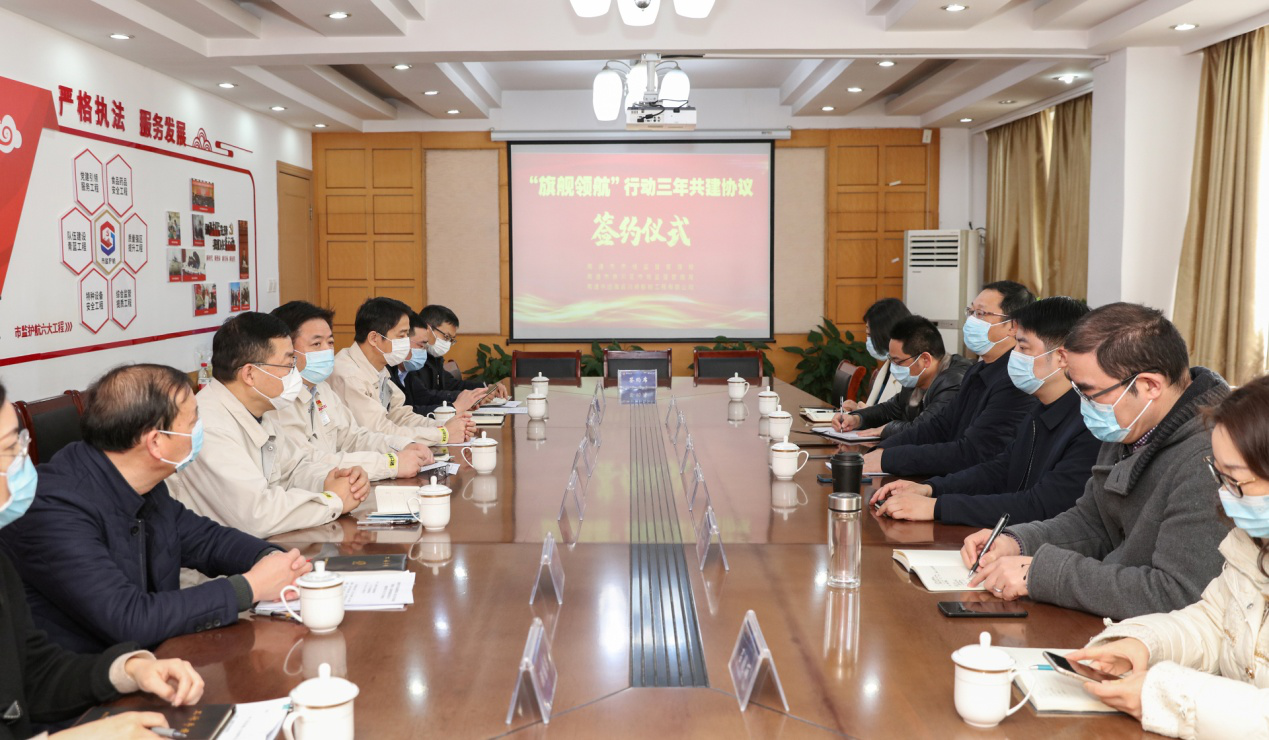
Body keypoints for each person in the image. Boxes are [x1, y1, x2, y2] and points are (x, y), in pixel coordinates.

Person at [0, 364, 311, 655]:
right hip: (90, 682)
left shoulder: (142, 482)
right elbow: (129, 619)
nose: (200, 430)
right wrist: (249, 587)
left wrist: (273, 560)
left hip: (156, 662)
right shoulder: (53, 510)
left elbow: (207, 540)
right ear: (156, 443)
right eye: (193, 422)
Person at [961, 302, 1232, 620]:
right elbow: (1093, 522)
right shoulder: (1130, 424)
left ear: (1149, 385)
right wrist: (1018, 542)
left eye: (1090, 392)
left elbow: (1177, 593)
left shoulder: (1212, 457)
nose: (1083, 404)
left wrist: (1040, 573)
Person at [0, 379, 208, 740]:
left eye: (22, 442)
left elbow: (33, 672)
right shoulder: (57, 506)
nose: (23, 459)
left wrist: (129, 670)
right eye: (9, 449)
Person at [1062, 375, 1269, 738]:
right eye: (1219, 476)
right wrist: (1143, 643)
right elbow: (1214, 623)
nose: (1223, 495)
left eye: (1235, 480)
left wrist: (1164, 695)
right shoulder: (1252, 541)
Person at [871, 297, 1100, 527]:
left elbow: (1039, 506)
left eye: (1023, 348)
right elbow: (1000, 470)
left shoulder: (1089, 426)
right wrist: (930, 489)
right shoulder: (1039, 409)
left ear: (1061, 357)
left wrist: (937, 507)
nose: (1014, 354)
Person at [168, 312, 370, 539]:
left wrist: (336, 480)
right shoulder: (208, 426)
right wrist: (332, 500)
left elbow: (294, 469)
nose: (294, 373)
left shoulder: (259, 411)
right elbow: (257, 514)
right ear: (250, 374)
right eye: (288, 365)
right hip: (215, 558)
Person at [862, 281, 1038, 476]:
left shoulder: (1016, 381)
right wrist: (883, 450)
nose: (971, 321)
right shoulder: (977, 370)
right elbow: (939, 425)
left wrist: (891, 459)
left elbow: (972, 453)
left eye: (980, 314)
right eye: (970, 312)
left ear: (1013, 326)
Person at [271, 301, 434, 481]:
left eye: (330, 342)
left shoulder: (321, 388)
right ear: (287, 350)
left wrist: (403, 445)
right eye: (316, 344)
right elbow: (310, 462)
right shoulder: (279, 400)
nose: (327, 350)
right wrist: (390, 464)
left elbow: (353, 437)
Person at [328, 298, 473, 445]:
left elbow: (401, 416)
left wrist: (446, 426)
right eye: (401, 336)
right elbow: (380, 432)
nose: (406, 343)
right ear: (374, 338)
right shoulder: (349, 375)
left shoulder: (380, 369)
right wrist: (442, 434)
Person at [832, 315, 971, 439]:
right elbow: (890, 409)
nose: (893, 367)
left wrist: (886, 429)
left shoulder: (954, 380)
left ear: (925, 360)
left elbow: (926, 428)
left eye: (898, 362)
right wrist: (857, 419)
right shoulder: (918, 378)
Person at [388, 310, 488, 417]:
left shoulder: (411, 368)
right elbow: (401, 415)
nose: (424, 349)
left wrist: (471, 396)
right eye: (446, 337)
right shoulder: (391, 371)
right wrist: (454, 407)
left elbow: (424, 397)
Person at [846, 298, 911, 412]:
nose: (868, 341)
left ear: (886, 334)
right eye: (867, 334)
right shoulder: (889, 364)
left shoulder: (910, 373)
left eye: (871, 335)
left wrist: (866, 413)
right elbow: (878, 409)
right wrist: (858, 410)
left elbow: (901, 418)